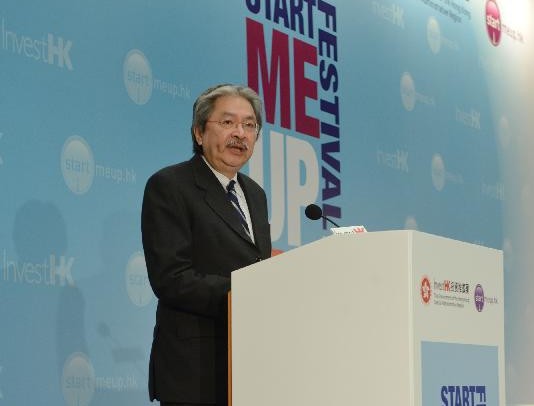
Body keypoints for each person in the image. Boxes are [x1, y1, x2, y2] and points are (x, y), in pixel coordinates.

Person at [141, 84, 272, 406]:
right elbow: (172, 279)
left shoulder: (254, 194)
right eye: (227, 123)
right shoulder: (170, 186)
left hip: (251, 364)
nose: (240, 134)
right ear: (199, 133)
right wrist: (246, 292)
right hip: (196, 367)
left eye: (249, 125)